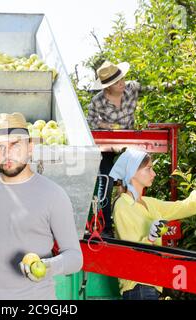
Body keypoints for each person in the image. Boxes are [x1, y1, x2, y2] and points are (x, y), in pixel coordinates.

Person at [0, 112, 83, 300]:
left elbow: (75, 257)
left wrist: (48, 266)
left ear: (30, 147)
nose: (6, 153)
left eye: (14, 144)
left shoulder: (54, 194)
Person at [108, 148, 196, 300]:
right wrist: (150, 238)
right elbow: (132, 253)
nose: (154, 173)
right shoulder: (123, 205)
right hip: (137, 285)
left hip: (152, 283)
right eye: (149, 169)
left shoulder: (150, 204)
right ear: (132, 172)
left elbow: (184, 206)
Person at [86, 60, 140, 237]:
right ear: (108, 87)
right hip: (108, 145)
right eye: (118, 82)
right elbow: (91, 122)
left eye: (122, 79)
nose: (122, 83)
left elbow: (151, 88)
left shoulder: (131, 89)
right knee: (106, 181)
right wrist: (106, 125)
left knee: (135, 178)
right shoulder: (97, 101)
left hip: (129, 142)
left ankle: (135, 221)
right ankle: (106, 226)